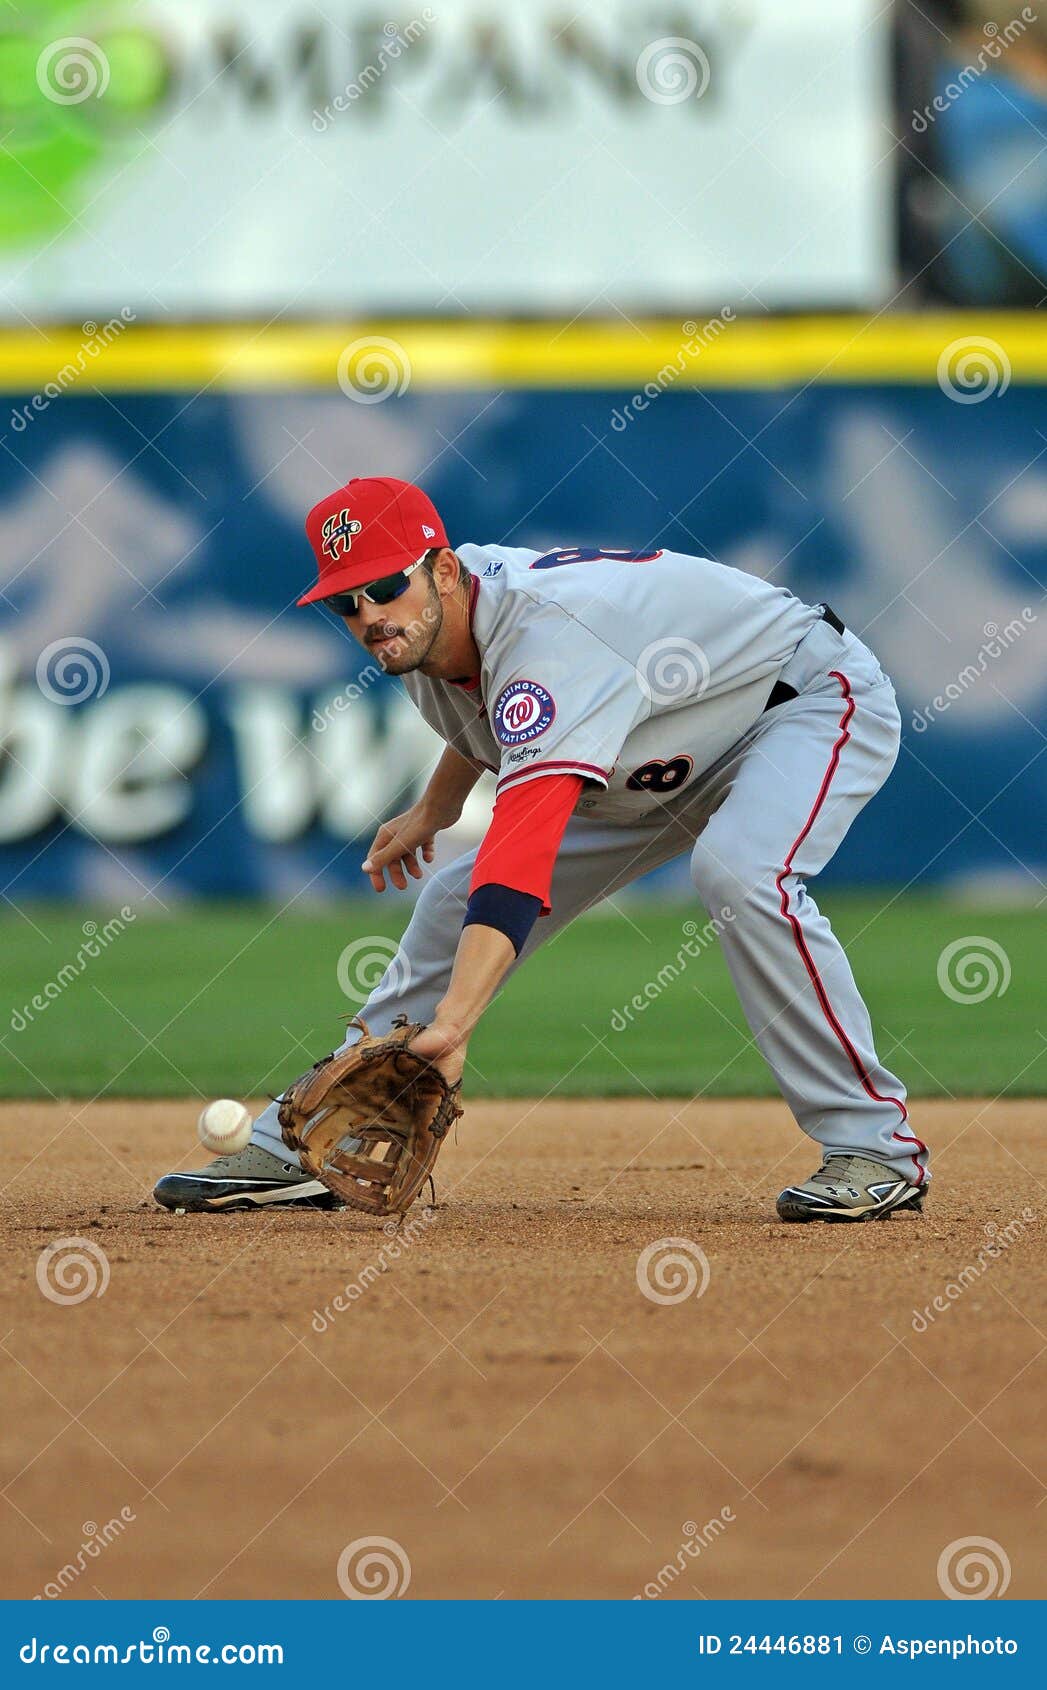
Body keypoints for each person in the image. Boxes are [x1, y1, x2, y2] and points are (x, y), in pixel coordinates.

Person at [154, 476, 928, 1222]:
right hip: (654, 747)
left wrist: (453, 1027)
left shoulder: (548, 633)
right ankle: (313, 1143)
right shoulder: (423, 636)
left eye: (386, 585)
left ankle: (874, 1149)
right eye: (343, 602)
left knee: (740, 873)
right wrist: (436, 804)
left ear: (444, 570)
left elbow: (520, 850)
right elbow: (494, 714)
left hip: (797, 698)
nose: (368, 615)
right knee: (452, 901)